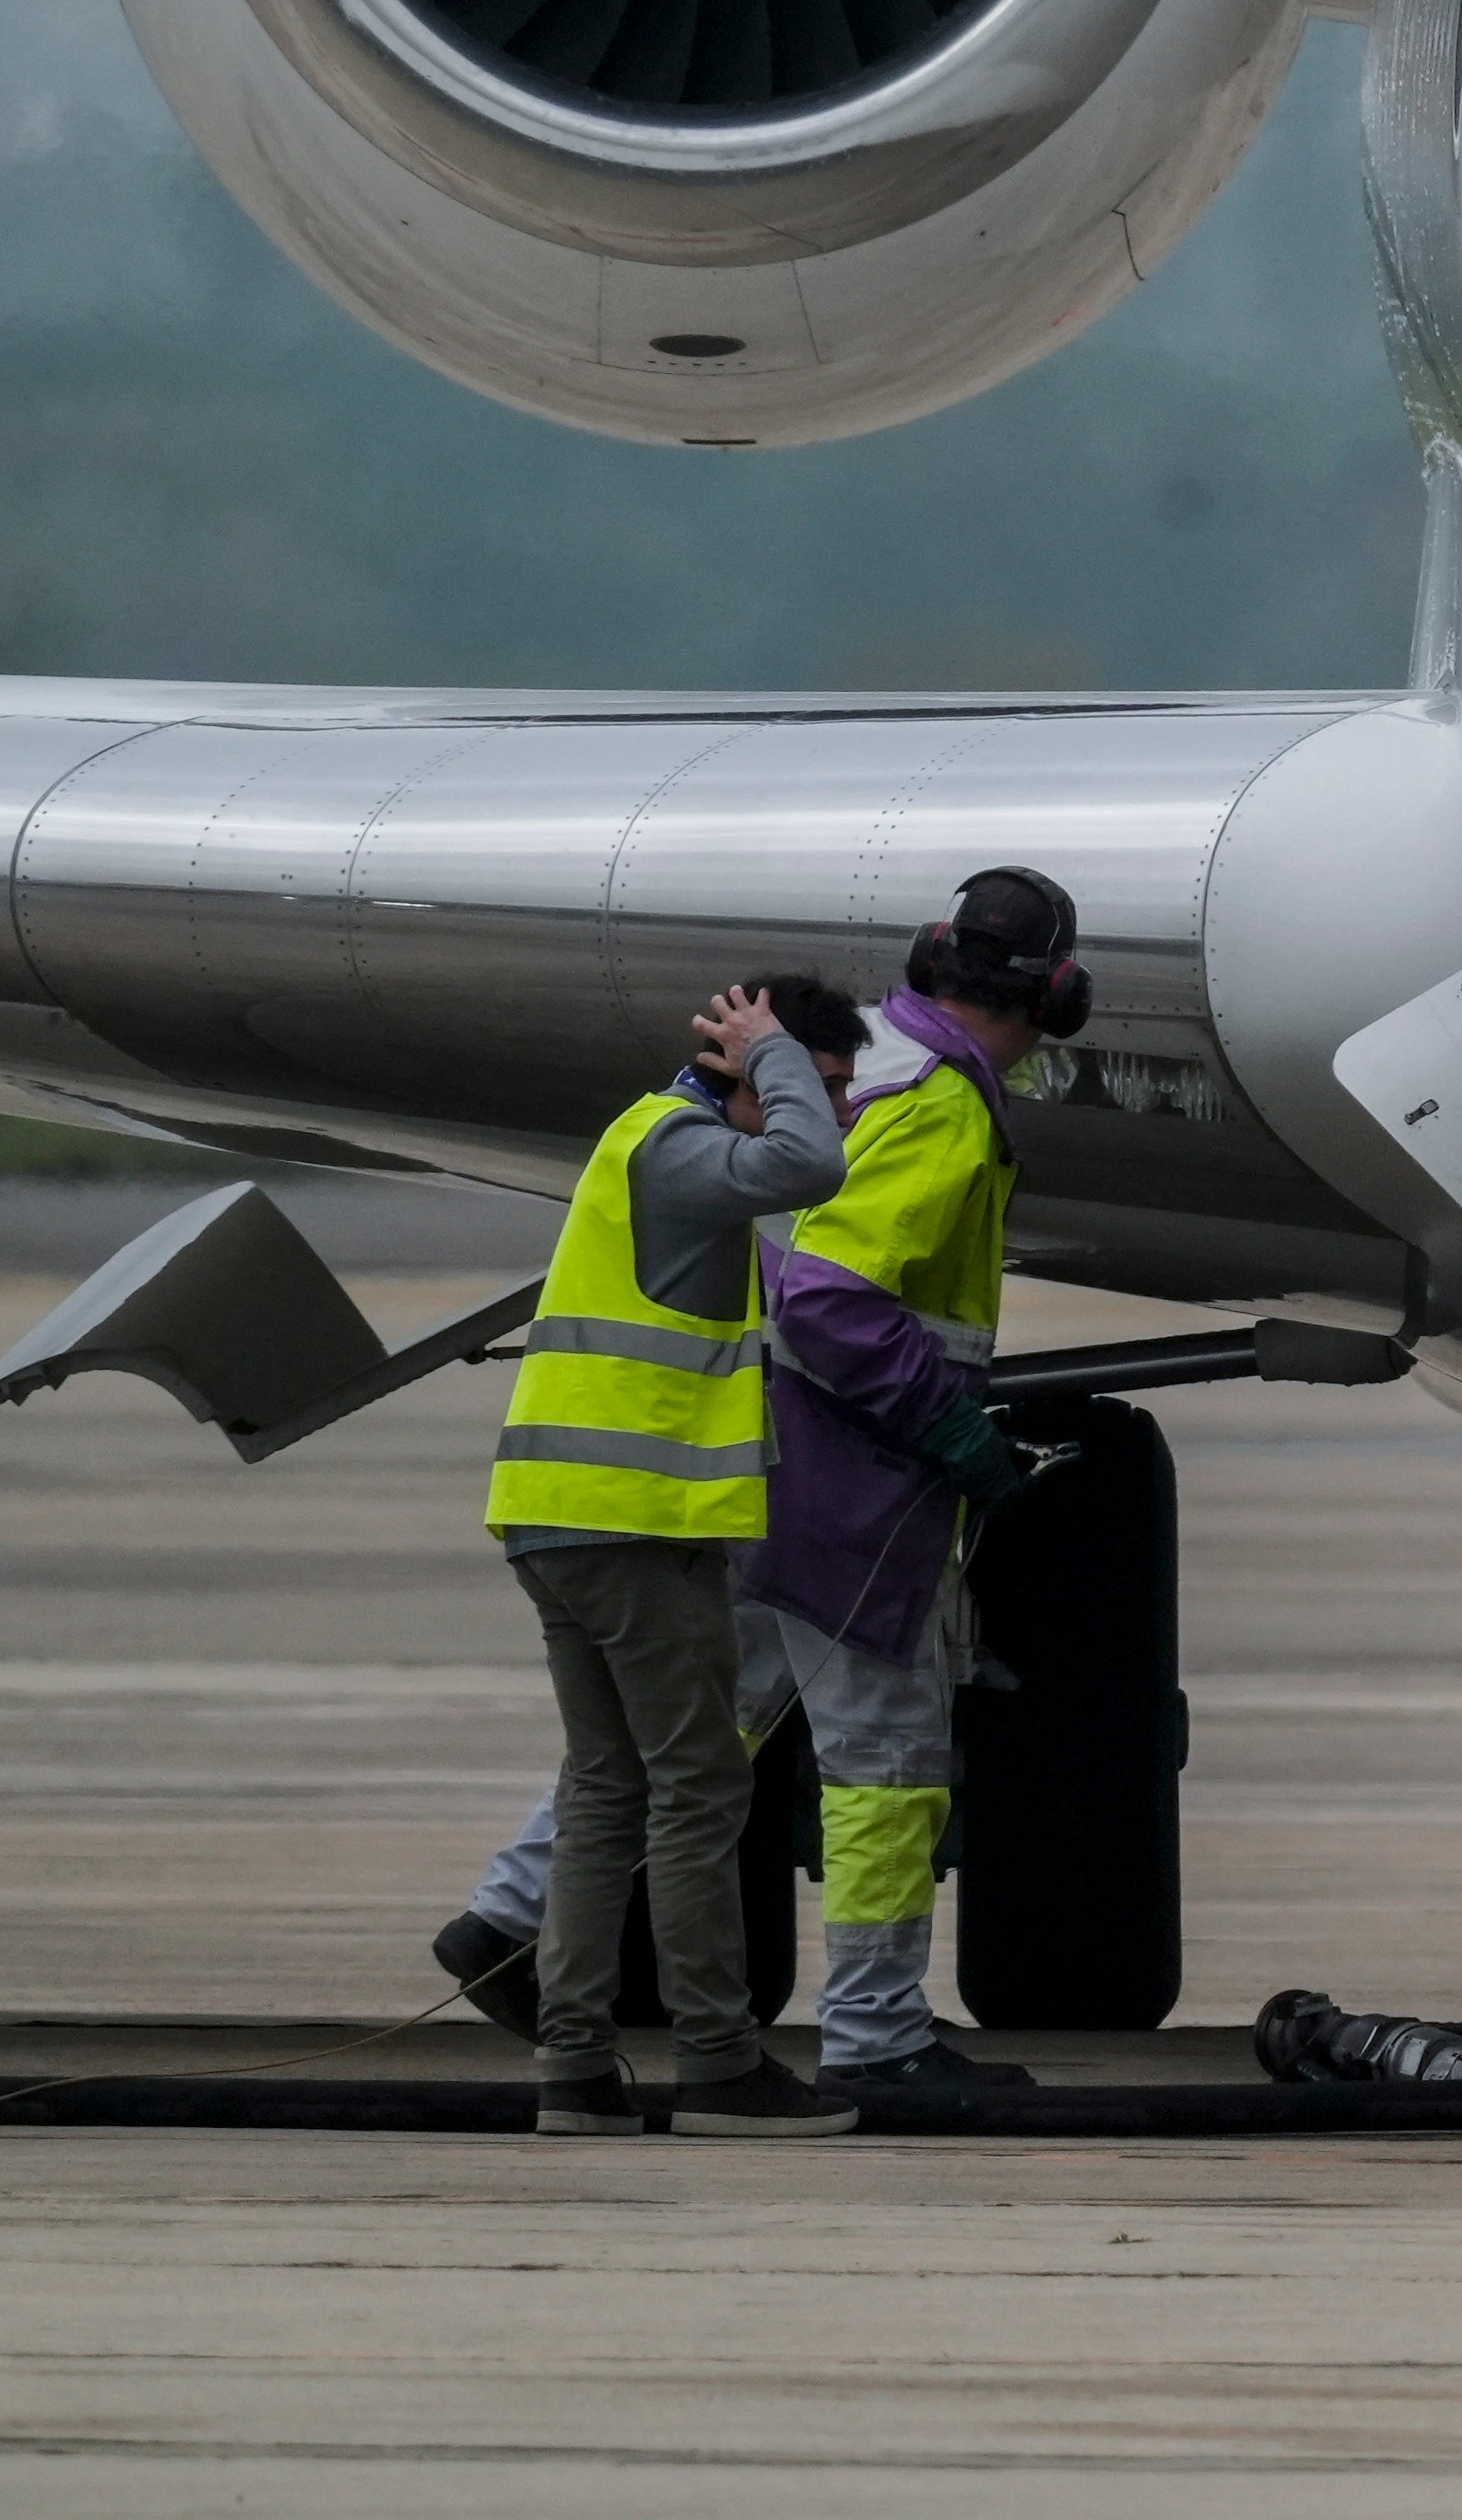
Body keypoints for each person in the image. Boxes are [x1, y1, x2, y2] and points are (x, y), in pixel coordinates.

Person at [429, 971, 865, 2043]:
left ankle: (574, 2052)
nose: (839, 1108)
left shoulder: (653, 1139)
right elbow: (813, 1164)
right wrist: (771, 1050)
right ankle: (714, 2051)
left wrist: (775, 1065)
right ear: (741, 1070)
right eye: (824, 1083)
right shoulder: (681, 1151)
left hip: (571, 1512)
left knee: (608, 1786)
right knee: (700, 1787)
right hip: (628, 1525)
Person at [744, 867, 1086, 2101]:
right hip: (854, 1481)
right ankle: (878, 2034)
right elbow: (833, 1299)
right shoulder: (941, 1102)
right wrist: (946, 1423)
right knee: (885, 1759)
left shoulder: (863, 1062)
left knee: (682, 1726)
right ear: (1056, 997)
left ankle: (512, 1922)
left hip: (739, 1456)